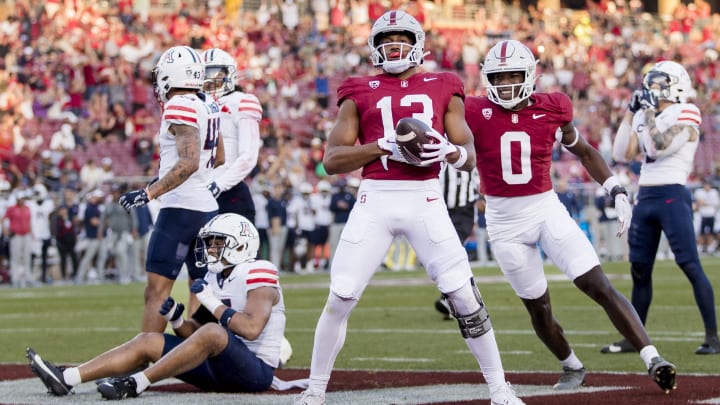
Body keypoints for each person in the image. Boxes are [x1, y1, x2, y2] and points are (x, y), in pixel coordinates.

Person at [294, 11, 523, 405]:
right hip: (375, 198)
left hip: (425, 197)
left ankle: (500, 389)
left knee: (465, 298)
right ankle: (315, 391)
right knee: (341, 297)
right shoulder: (358, 89)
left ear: (418, 43)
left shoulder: (444, 84)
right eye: (385, 40)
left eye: (401, 38)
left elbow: (469, 153)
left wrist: (451, 152)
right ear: (373, 47)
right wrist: (379, 147)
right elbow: (331, 161)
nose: (393, 46)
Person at [465, 39, 676, 393]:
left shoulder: (554, 106)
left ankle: (653, 357)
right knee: (539, 310)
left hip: (545, 209)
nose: (505, 84)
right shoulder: (473, 110)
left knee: (598, 285)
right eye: (498, 77)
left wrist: (615, 188)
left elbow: (584, 150)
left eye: (513, 75)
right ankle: (571, 365)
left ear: (530, 75)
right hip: (503, 222)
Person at [26, 213, 287, 399]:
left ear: (241, 245)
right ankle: (67, 378)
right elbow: (198, 335)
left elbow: (251, 329)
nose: (210, 249)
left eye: (218, 243)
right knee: (149, 339)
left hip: (255, 373)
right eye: (209, 243)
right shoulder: (213, 277)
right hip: (220, 368)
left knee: (215, 332)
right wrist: (177, 321)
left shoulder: (257, 273)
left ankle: (137, 383)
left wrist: (211, 302)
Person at [608, 60, 719, 355]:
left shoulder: (686, 110)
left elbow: (659, 146)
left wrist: (645, 112)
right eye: (651, 84)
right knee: (640, 271)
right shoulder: (650, 113)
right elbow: (621, 153)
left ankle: (712, 336)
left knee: (690, 265)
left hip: (672, 194)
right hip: (645, 196)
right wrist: (631, 113)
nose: (652, 89)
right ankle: (635, 337)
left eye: (658, 84)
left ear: (676, 85)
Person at [118, 46, 221, 333]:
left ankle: (147, 354)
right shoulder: (208, 103)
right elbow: (218, 157)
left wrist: (148, 193)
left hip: (181, 210)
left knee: (156, 292)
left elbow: (188, 163)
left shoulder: (180, 104)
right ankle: (199, 359)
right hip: (208, 208)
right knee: (200, 289)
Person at [201, 48, 263, 224]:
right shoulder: (196, 104)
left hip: (230, 194)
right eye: (203, 74)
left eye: (214, 73)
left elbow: (248, 156)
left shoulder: (242, 101)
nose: (209, 79)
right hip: (200, 195)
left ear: (229, 74)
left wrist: (219, 185)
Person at [434, 165, 480, 319]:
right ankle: (457, 298)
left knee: (452, 251)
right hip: (441, 210)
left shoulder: (470, 151)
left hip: (463, 212)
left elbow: (477, 182)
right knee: (448, 255)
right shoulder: (439, 152)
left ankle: (452, 299)